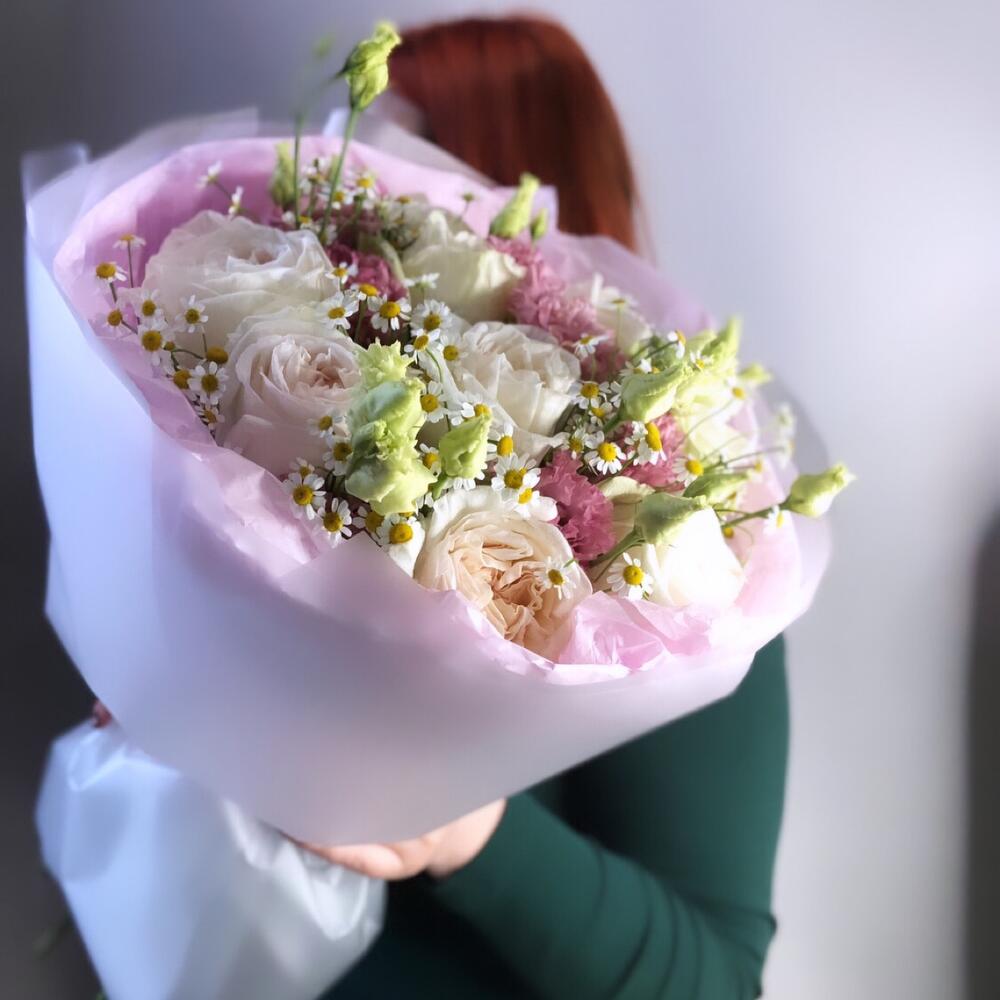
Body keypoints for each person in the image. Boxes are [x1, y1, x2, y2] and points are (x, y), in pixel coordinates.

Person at [300, 16, 790, 1000]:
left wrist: (466, 829)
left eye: (395, 185)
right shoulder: (292, 456)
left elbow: (716, 981)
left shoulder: (676, 540)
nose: (338, 219)